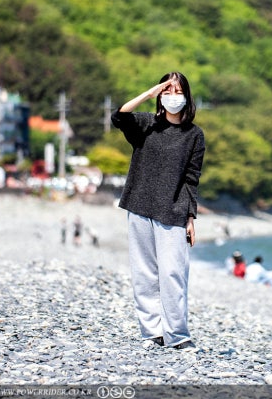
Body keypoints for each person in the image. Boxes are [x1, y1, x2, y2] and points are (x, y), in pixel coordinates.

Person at [111, 71, 205, 351]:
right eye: (168, 90)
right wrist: (149, 94)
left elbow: (191, 178)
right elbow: (119, 117)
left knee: (173, 273)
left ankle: (178, 335)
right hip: (139, 204)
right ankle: (152, 333)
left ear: (187, 97)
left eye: (178, 91)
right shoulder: (146, 124)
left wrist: (190, 217)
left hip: (173, 210)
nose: (173, 97)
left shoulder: (194, 135)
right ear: (160, 95)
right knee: (144, 273)